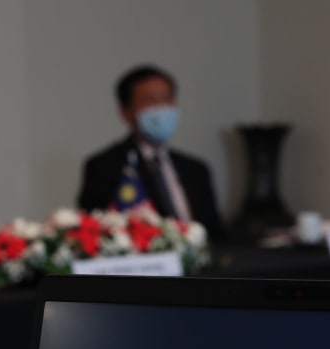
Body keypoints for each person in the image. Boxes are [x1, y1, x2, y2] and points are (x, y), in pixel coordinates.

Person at [76, 64, 226, 243]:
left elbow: (217, 233)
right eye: (150, 100)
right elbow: (96, 234)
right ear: (126, 112)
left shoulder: (196, 169)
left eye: (167, 99)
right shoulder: (104, 167)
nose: (161, 108)